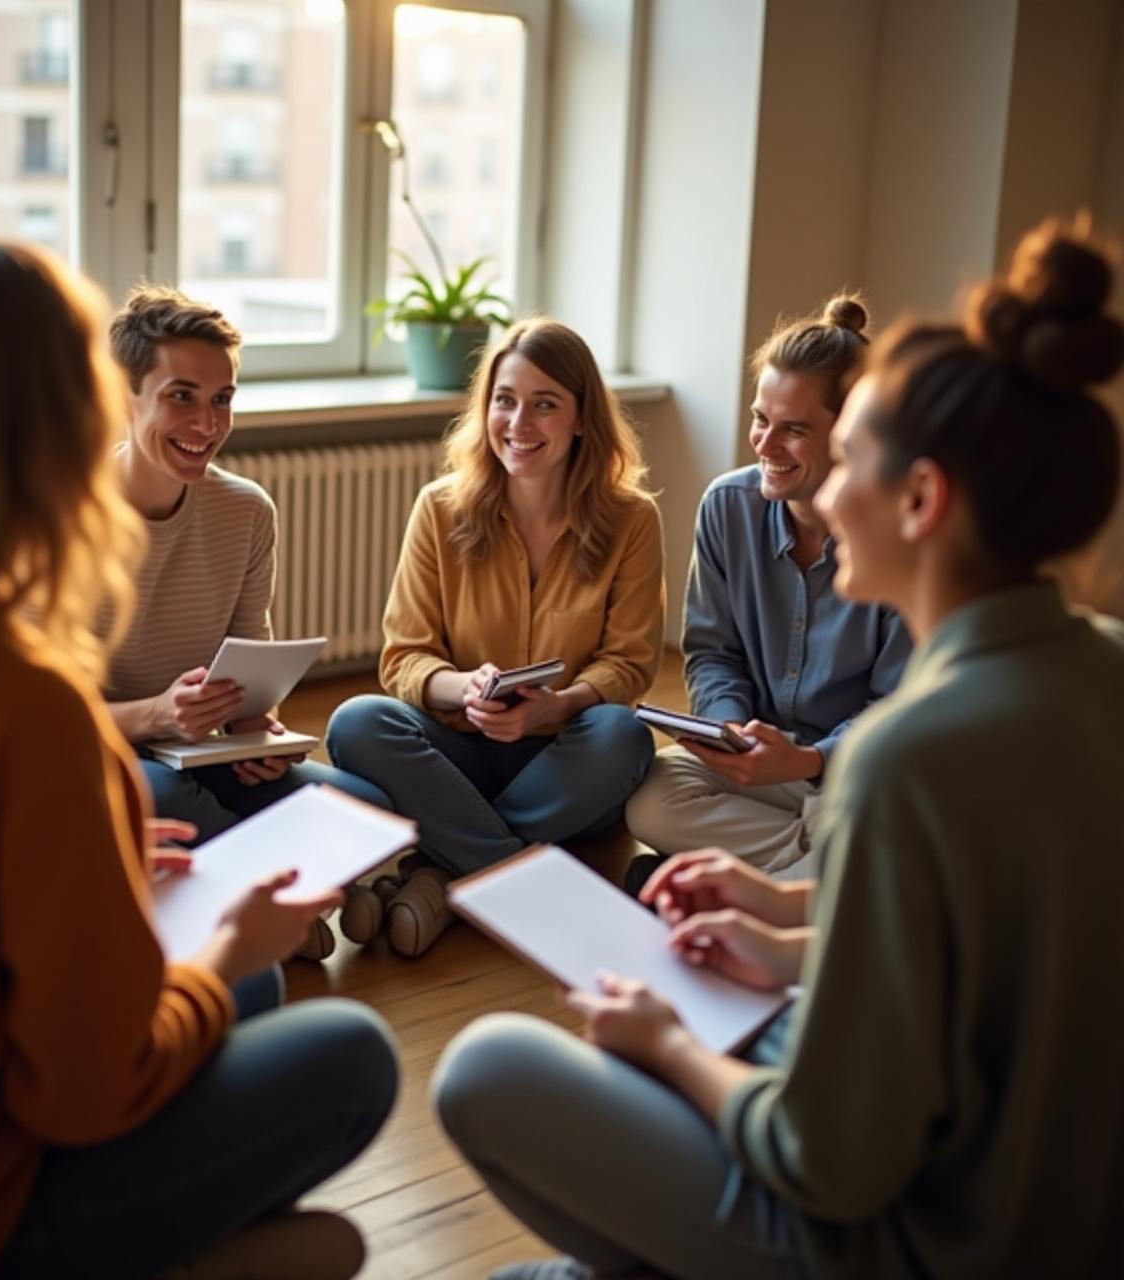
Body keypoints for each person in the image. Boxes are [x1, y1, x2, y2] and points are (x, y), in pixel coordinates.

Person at [432, 220, 1124, 1279]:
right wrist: (791, 920)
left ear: (919, 498)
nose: (810, 483)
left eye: (842, 457)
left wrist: (662, 1041)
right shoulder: (1103, 666)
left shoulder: (909, 755)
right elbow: (992, 944)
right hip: (1055, 1199)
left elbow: (825, 1159)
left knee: (485, 1064)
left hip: (927, 1235)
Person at [0, 234, 398, 1280]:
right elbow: (84, 1088)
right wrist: (227, 944)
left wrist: (92, 871)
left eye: (219, 398)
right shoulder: (24, 694)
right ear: (80, 417)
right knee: (339, 1052)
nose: (200, 423)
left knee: (272, 943)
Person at [327, 318, 663, 957]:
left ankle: (443, 868)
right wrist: (464, 689)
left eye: (545, 405)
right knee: (356, 722)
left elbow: (630, 661)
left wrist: (560, 704)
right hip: (457, 747)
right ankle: (514, 879)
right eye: (505, 401)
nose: (519, 423)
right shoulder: (439, 508)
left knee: (625, 737)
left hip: (565, 761)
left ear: (582, 419)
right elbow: (404, 656)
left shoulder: (632, 520)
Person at [102, 284, 390, 958]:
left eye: (222, 399)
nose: (206, 424)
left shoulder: (248, 511)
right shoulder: (64, 517)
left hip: (206, 750)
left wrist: (253, 727)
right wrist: (156, 716)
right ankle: (286, 903)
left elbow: (249, 662)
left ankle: (260, 904)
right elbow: (41, 718)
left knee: (368, 806)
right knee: (165, 795)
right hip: (113, 758)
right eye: (182, 396)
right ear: (124, 398)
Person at [624, 296, 910, 886]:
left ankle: (743, 880)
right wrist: (728, 734)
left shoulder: (897, 538)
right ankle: (814, 874)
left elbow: (897, 709)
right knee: (652, 796)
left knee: (888, 821)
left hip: (853, 771)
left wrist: (810, 761)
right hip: (762, 770)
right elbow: (712, 651)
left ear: (850, 431)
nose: (764, 444)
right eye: (760, 419)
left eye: (793, 429)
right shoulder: (727, 507)